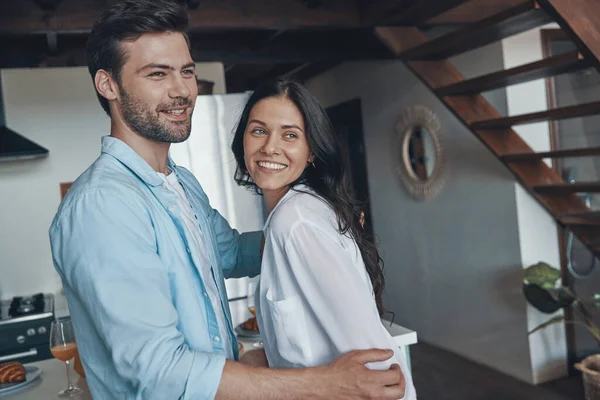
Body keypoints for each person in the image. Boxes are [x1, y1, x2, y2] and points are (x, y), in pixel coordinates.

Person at [48, 1, 407, 399]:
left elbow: (231, 252)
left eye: (186, 71)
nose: (181, 90)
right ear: (108, 84)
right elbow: (159, 370)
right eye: (157, 74)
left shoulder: (180, 183)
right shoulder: (103, 206)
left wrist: (320, 224)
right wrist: (324, 383)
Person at [231, 79, 417, 399]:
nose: (270, 147)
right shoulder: (302, 210)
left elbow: (369, 352)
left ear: (312, 151)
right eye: (259, 130)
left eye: (290, 135)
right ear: (243, 139)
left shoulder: (296, 222)